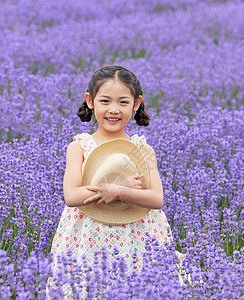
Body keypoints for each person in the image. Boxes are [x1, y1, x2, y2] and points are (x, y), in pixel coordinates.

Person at [46, 66, 187, 299]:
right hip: (89, 237)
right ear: (90, 101)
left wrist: (122, 192)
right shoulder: (79, 147)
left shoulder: (143, 149)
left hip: (138, 237)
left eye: (123, 102)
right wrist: (113, 188)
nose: (114, 110)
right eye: (105, 101)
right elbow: (71, 196)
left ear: (136, 103)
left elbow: (156, 199)